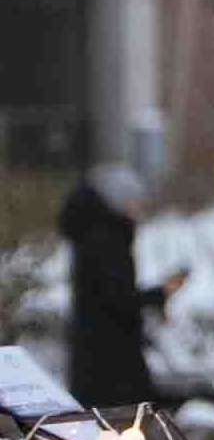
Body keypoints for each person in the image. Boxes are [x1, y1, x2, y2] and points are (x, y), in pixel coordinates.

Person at [58, 163, 187, 409]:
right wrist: (161, 293)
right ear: (117, 202)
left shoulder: (94, 234)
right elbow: (119, 299)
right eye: (134, 201)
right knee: (121, 425)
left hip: (96, 356)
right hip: (111, 360)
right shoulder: (106, 240)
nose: (138, 208)